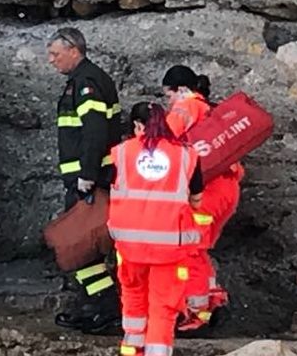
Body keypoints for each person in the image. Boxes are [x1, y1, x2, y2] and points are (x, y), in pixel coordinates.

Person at [46, 26, 127, 332]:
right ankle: (93, 304)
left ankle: (105, 305)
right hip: (91, 178)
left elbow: (93, 132)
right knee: (81, 244)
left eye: (55, 54)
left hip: (91, 181)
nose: (52, 61)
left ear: (74, 51)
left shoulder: (86, 82)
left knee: (79, 243)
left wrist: (87, 175)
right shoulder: (83, 80)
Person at [110, 101, 206, 356]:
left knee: (133, 296)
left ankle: (132, 349)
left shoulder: (121, 153)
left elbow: (111, 187)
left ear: (137, 126)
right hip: (169, 247)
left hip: (130, 246)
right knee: (163, 307)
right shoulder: (186, 154)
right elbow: (197, 198)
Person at [161, 65, 241, 333]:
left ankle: (196, 315)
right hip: (226, 190)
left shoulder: (187, 106)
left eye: (168, 95)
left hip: (206, 193)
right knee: (199, 249)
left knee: (189, 251)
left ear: (180, 90)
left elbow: (163, 139)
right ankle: (213, 302)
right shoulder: (210, 110)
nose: (169, 102)